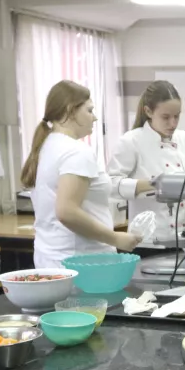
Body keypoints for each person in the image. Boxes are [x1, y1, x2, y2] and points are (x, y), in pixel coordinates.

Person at [21, 80, 142, 268]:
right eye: (89, 110)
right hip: (82, 262)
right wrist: (115, 238)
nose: (94, 118)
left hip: (52, 258)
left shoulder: (47, 145)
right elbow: (67, 212)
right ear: (70, 111)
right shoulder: (76, 152)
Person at [108, 80, 185, 250]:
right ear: (148, 111)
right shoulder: (131, 141)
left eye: (177, 116)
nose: (173, 123)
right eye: (166, 117)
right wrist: (149, 185)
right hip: (147, 243)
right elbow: (110, 184)